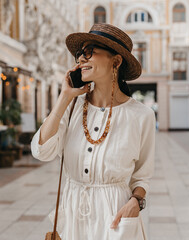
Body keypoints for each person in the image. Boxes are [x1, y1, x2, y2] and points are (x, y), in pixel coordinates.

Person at [31, 23, 156, 240]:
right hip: (72, 216)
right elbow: (41, 151)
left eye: (89, 52)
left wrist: (135, 203)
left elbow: (142, 177)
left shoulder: (141, 116)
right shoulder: (71, 107)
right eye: (80, 54)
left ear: (116, 61)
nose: (80, 59)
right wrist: (64, 97)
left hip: (115, 215)